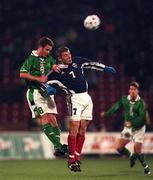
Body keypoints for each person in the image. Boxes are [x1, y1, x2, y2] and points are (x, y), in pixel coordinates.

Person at [40, 46, 116, 172]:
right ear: (59, 58)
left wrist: (105, 68)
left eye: (69, 54)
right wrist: (47, 88)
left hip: (86, 97)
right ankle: (71, 160)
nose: (69, 56)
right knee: (74, 127)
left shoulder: (78, 61)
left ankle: (77, 157)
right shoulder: (56, 71)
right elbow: (43, 81)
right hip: (74, 98)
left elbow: (92, 64)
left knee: (83, 128)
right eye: (65, 55)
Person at [19, 37, 68, 157]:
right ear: (40, 47)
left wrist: (54, 66)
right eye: (47, 50)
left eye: (50, 50)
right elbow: (22, 74)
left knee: (53, 120)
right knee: (45, 118)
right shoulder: (31, 59)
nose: (48, 52)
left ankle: (58, 148)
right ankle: (60, 146)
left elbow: (53, 64)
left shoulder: (48, 57)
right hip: (35, 93)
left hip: (47, 92)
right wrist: (38, 79)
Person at [100, 81, 151, 175]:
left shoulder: (141, 103)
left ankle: (146, 167)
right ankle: (131, 156)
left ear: (138, 91)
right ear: (129, 90)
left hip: (139, 128)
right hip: (129, 128)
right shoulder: (124, 99)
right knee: (118, 147)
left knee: (137, 150)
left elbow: (142, 119)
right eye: (131, 89)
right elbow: (116, 107)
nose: (132, 91)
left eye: (134, 89)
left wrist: (131, 123)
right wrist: (107, 113)